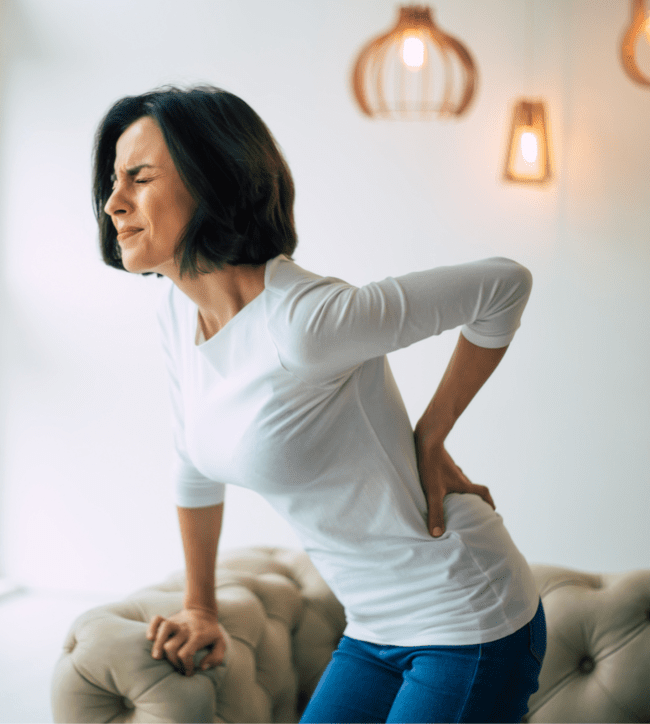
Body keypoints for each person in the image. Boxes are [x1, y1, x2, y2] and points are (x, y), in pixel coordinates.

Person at [92, 84, 546, 724]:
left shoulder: (303, 322)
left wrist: (430, 435)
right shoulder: (176, 309)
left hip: (465, 617)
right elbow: (192, 461)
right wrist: (200, 606)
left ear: (213, 182)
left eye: (139, 178)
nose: (113, 203)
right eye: (113, 181)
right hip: (371, 628)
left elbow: (504, 285)